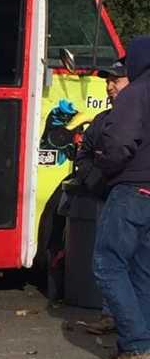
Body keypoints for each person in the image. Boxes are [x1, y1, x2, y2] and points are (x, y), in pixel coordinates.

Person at [94, 36, 150, 359]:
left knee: (107, 263)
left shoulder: (135, 94)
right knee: (142, 271)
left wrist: (104, 168)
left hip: (131, 189)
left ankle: (135, 343)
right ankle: (140, 340)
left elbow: (118, 144)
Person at [71, 58, 128, 335]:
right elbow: (82, 155)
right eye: (107, 81)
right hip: (107, 199)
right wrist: (96, 182)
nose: (109, 87)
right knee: (109, 260)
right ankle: (110, 316)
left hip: (137, 200)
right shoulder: (102, 120)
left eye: (115, 80)